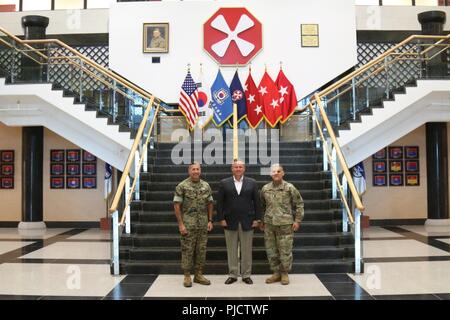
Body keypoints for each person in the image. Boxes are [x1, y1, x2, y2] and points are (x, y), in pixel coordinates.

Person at [216, 160, 262, 285]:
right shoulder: (224, 183)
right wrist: (221, 219)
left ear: (244, 169)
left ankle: (246, 274)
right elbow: (219, 203)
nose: (238, 169)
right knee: (231, 249)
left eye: (240, 167)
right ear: (232, 169)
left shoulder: (252, 183)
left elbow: (257, 202)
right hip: (229, 221)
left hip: (248, 221)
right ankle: (233, 274)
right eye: (235, 167)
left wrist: (258, 219)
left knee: (247, 250)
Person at [260, 164, 304, 285]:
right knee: (271, 250)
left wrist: (297, 220)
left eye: (278, 171)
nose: (276, 173)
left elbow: (299, 204)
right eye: (273, 171)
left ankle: (284, 273)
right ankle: (276, 273)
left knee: (285, 250)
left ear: (283, 173)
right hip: (269, 224)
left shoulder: (289, 188)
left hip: (285, 224)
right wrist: (261, 220)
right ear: (270, 174)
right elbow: (262, 206)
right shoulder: (265, 189)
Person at [173, 162, 214, 287]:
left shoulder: (206, 186)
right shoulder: (182, 186)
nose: (196, 171)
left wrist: (210, 220)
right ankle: (187, 276)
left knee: (201, 250)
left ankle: (198, 275)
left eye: (198, 169)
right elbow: (176, 205)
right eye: (193, 169)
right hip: (188, 223)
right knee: (187, 250)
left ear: (200, 171)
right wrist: (181, 224)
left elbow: (210, 203)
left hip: (202, 223)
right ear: (189, 171)